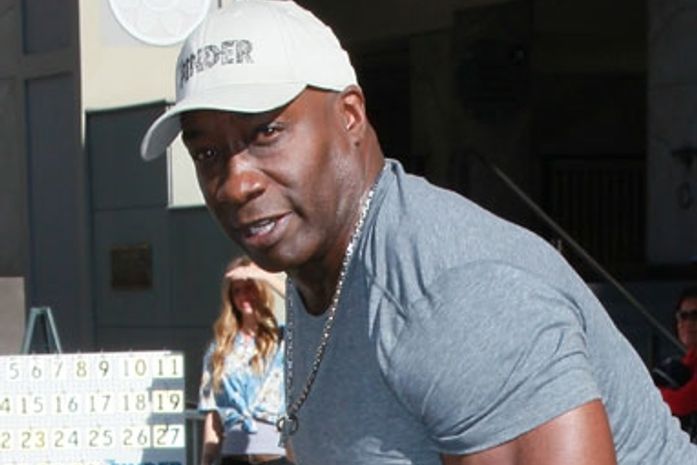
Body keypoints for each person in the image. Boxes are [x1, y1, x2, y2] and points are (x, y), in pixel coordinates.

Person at [140, 1, 696, 463]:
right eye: (207, 152)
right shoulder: (324, 268)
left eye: (267, 132)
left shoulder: (455, 292)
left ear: (350, 115)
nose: (236, 183)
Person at [198, 255, 289, 465]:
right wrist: (206, 458)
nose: (243, 296)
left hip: (273, 454)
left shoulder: (281, 339)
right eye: (237, 291)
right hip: (233, 454)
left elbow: (305, 309)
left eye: (249, 288)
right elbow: (212, 412)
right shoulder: (220, 348)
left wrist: (264, 276)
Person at [653, 286, 697, 442]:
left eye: (695, 316)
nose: (688, 323)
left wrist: (650, 394)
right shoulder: (686, 363)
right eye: (683, 316)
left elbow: (683, 402)